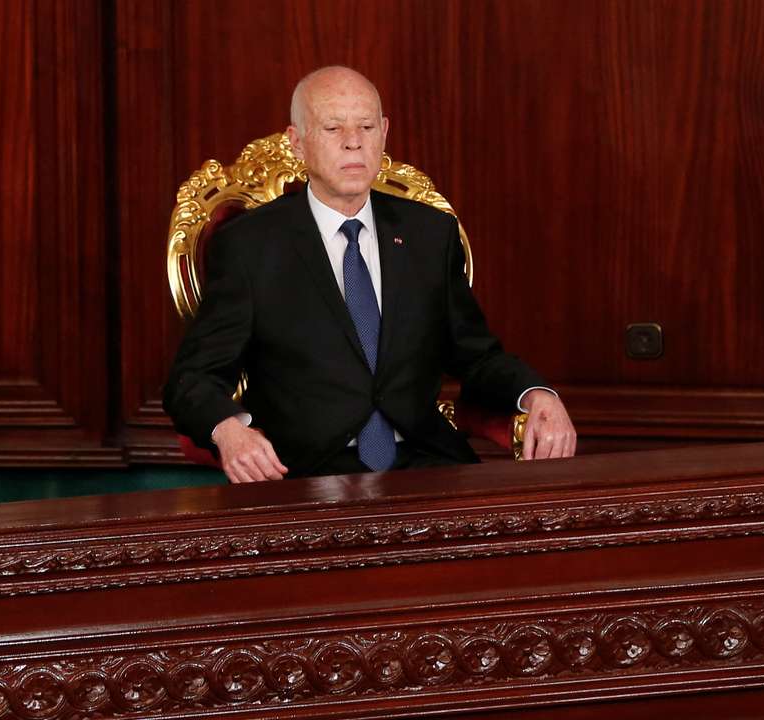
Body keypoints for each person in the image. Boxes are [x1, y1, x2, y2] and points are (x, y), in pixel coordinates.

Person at [164, 66, 576, 483]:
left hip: (424, 462)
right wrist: (229, 429)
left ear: (384, 132)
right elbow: (193, 378)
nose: (353, 141)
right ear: (297, 142)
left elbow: (477, 356)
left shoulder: (429, 234)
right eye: (332, 128)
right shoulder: (250, 245)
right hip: (306, 473)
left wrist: (535, 394)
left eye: (366, 126)